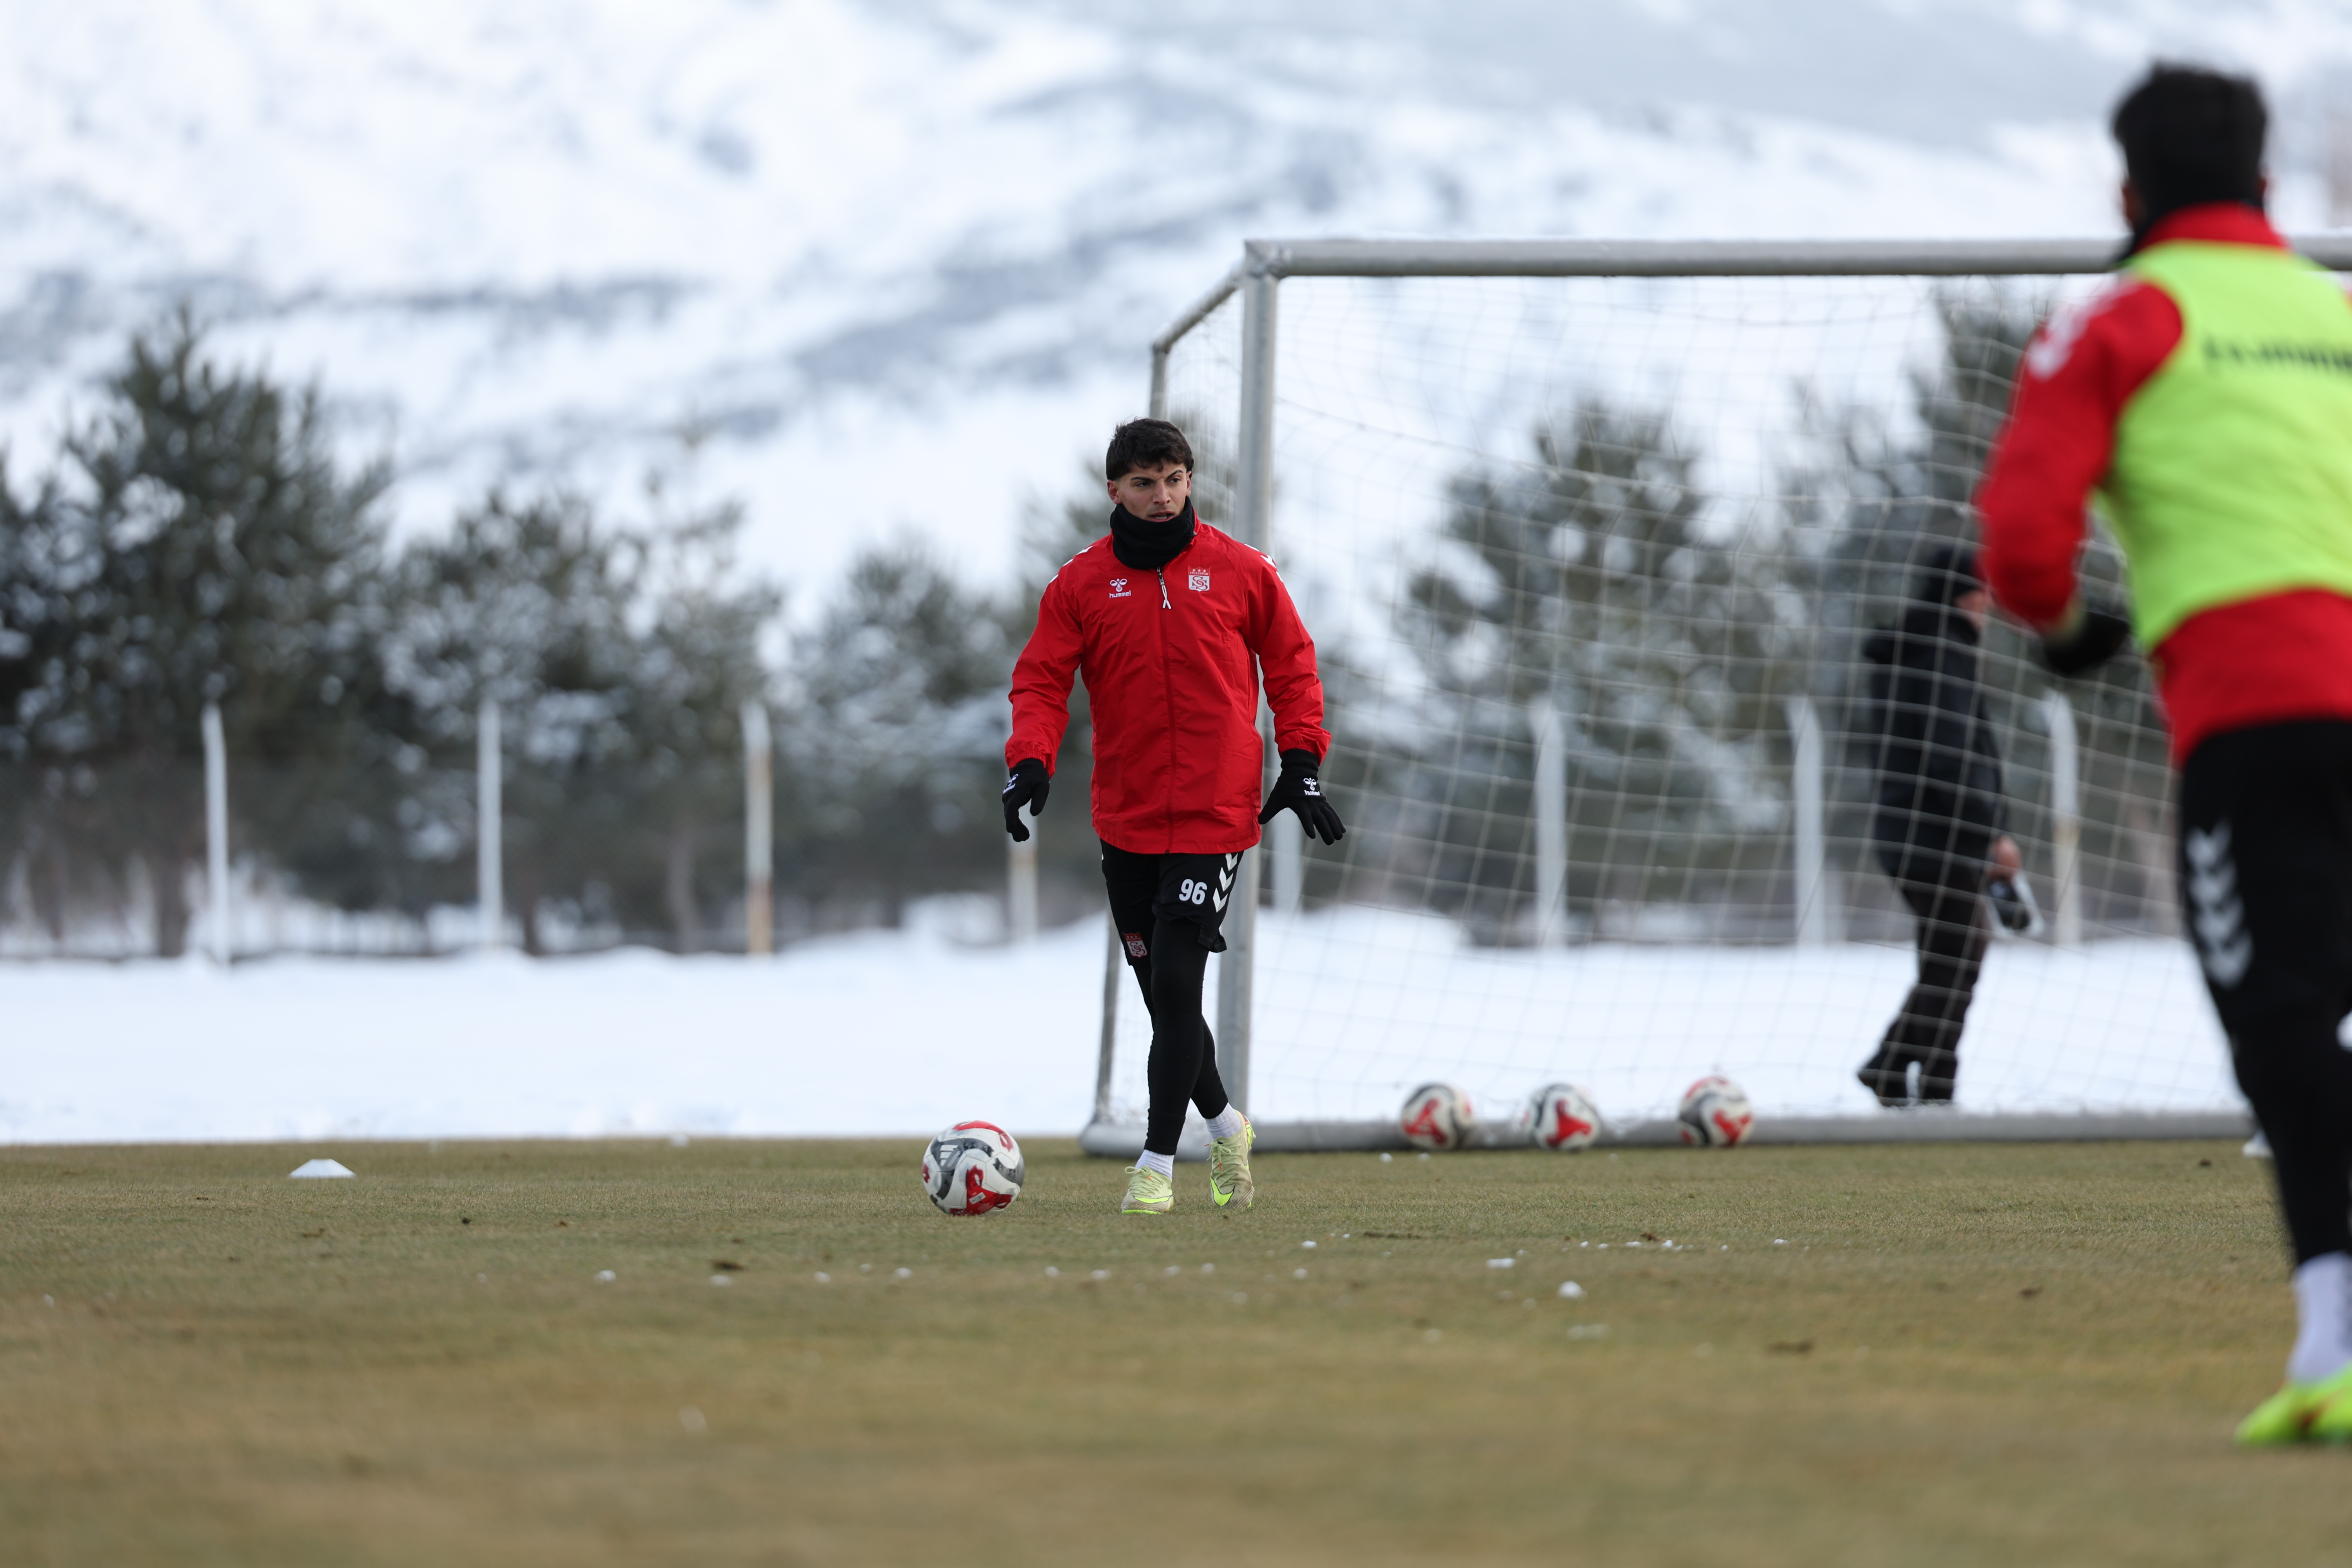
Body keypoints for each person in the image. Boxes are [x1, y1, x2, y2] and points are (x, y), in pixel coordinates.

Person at [1977, 63, 2352, 1445]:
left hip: (2266, 720)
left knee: (2286, 1030)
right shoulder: (2334, 310)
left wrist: (2075, 633)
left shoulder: (2120, 320)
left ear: (2127, 193)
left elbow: (2020, 547)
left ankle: (2336, 1348)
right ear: (2267, 186)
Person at [1003, 417, 1344, 1215]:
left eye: (1175, 480)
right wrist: (1030, 760)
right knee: (1165, 998)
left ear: (1191, 480)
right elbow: (1041, 681)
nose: (1163, 498)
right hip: (1125, 818)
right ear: (1114, 490)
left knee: (1181, 982)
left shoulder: (1241, 569)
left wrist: (1301, 760)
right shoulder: (1080, 584)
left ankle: (1156, 1166)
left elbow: (1294, 663)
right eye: (1145, 483)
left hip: (1214, 816)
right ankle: (1227, 1124)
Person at [1855, 544, 2025, 1107]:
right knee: (1960, 957)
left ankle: (1900, 1073)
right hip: (1937, 835)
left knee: (1950, 958)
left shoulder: (1911, 650)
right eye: (1985, 590)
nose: (1992, 603)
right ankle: (1925, 1084)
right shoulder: (1942, 653)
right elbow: (1951, 756)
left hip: (1906, 832)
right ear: (1966, 594)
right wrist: (1990, 833)